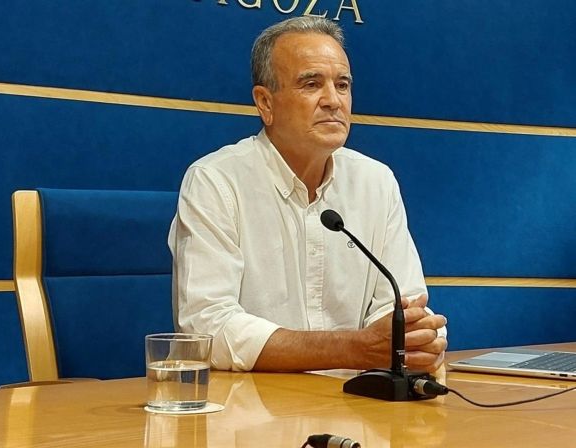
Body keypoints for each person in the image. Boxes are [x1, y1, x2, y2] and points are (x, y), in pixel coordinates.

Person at [168, 16, 447, 373]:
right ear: (265, 103)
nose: (333, 101)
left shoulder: (376, 181)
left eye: (342, 85)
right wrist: (353, 349)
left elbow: (402, 305)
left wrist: (416, 337)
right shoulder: (216, 181)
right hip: (253, 402)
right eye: (311, 84)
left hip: (355, 399)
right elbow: (207, 327)